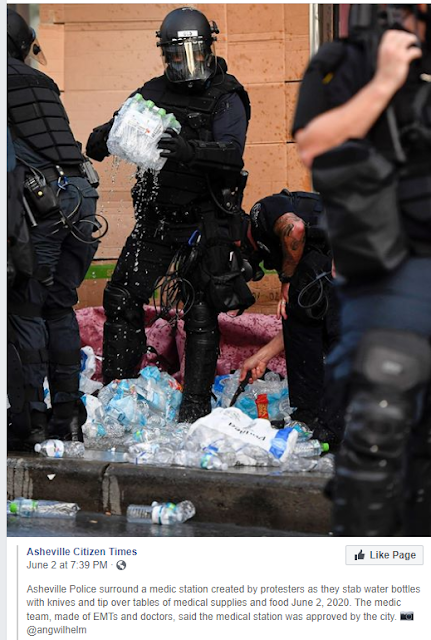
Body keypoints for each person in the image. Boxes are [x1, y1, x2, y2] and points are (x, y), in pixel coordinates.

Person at [293, 4, 431, 536]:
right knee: (381, 417)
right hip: (393, 269)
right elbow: (313, 143)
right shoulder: (348, 61)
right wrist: (387, 82)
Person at [86, 6, 252, 423]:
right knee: (121, 298)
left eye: (190, 54)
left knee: (199, 311)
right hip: (157, 218)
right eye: (175, 57)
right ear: (165, 56)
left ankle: (194, 405)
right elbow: (113, 127)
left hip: (204, 221)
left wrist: (189, 151)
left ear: (208, 49)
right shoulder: (154, 90)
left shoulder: (227, 95)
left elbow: (232, 154)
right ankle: (118, 396)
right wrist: (105, 137)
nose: (183, 64)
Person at [7, 9, 100, 449]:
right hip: (82, 197)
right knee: (60, 307)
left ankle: (32, 423)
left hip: (42, 203)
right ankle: (69, 418)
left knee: (26, 307)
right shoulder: (40, 82)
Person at [239, 190, 341, 440]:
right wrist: (262, 356)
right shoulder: (289, 252)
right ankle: (327, 423)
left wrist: (287, 278)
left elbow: (295, 228)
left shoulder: (262, 212)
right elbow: (302, 325)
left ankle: (315, 420)